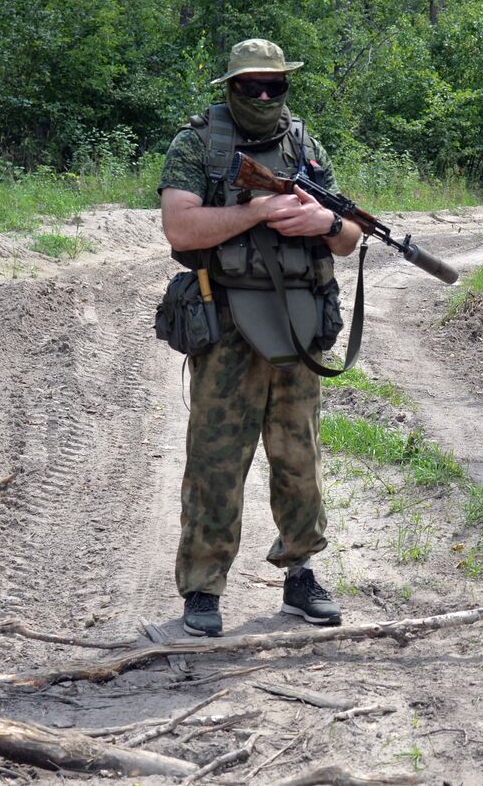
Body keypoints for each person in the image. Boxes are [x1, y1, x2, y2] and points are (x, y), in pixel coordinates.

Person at [158, 38, 362, 637]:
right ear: (230, 88)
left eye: (276, 86)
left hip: (298, 322)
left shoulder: (304, 143)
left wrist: (321, 221)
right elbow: (180, 223)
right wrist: (257, 211)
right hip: (226, 324)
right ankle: (202, 588)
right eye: (252, 86)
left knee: (299, 457)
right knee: (216, 460)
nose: (265, 96)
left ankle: (299, 574)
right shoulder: (196, 143)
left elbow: (349, 233)